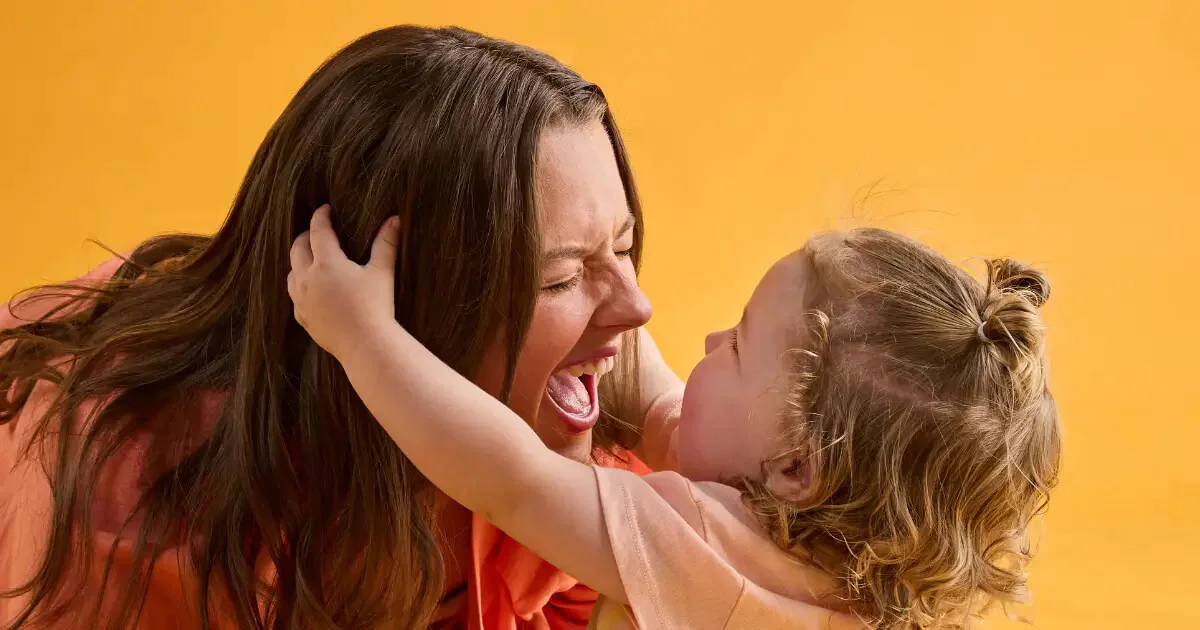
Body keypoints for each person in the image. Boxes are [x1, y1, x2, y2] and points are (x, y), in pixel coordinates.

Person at [0, 25, 672, 629]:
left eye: (622, 248)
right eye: (558, 278)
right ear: (388, 308)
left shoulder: (532, 443)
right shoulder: (149, 516)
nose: (637, 308)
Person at [287, 217, 1063, 630]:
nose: (708, 343)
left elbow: (511, 482)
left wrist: (364, 339)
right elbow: (664, 410)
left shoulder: (699, 545)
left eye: (739, 342)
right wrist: (601, 283)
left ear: (797, 468)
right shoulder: (831, 566)